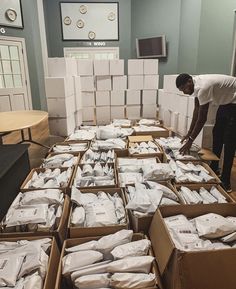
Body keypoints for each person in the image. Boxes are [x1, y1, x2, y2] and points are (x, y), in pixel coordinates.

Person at [175, 73, 236, 192]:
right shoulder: (196, 86)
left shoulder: (203, 87)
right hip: (226, 103)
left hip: (235, 102)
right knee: (217, 134)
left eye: (184, 89)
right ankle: (214, 167)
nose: (184, 92)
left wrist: (191, 141)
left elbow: (202, 118)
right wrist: (189, 133)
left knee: (229, 142)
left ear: (189, 81)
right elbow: (197, 110)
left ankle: (226, 181)